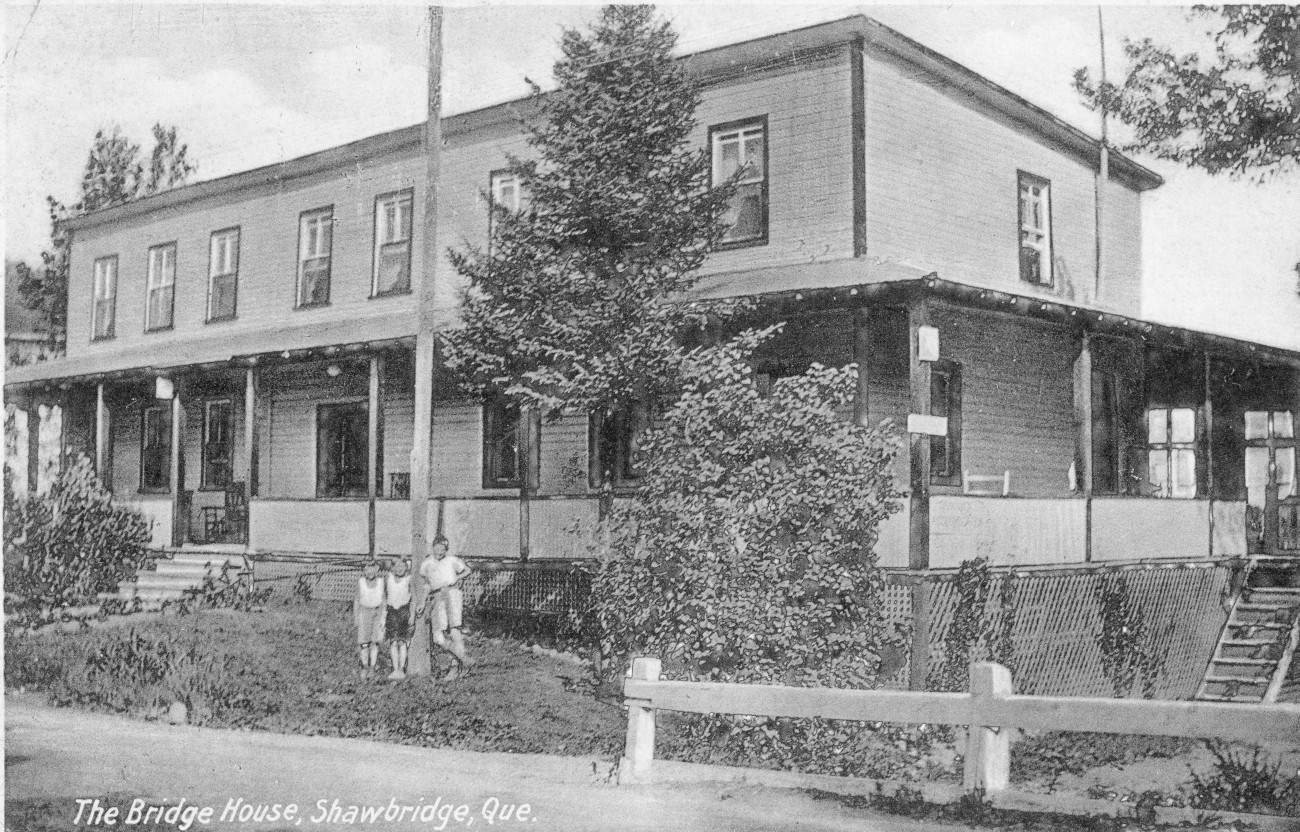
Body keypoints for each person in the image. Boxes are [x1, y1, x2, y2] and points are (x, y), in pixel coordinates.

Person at [418, 536, 472, 680]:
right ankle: (463, 658)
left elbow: (467, 570)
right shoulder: (427, 563)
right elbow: (427, 584)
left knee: (454, 629)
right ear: (433, 547)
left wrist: (457, 580)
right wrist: (422, 602)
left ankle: (455, 667)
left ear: (446, 549)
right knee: (439, 636)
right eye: (437, 547)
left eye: (442, 549)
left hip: (452, 593)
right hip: (437, 595)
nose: (439, 551)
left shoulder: (452, 560)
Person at [353, 559, 386, 679]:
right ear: (364, 570)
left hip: (377, 612)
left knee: (375, 641)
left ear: (377, 568)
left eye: (372, 568)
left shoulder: (381, 582)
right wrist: (356, 616)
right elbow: (357, 600)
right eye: (367, 569)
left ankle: (372, 667)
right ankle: (364, 666)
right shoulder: (361, 582)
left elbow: (383, 601)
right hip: (364, 612)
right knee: (364, 642)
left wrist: (383, 617)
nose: (370, 571)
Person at [384, 557, 413, 680]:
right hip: (391, 612)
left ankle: (401, 669)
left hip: (403, 611)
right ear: (392, 568)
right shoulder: (389, 578)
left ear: (407, 567)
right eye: (397, 566)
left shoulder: (408, 580)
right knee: (393, 641)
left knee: (402, 642)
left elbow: (413, 599)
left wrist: (411, 615)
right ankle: (395, 669)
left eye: (402, 566)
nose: (399, 569)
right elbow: (385, 596)